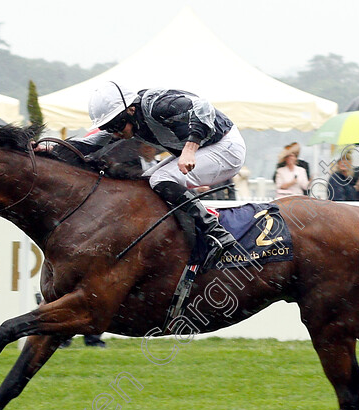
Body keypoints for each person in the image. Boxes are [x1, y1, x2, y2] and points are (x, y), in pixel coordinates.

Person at [68, 82, 246, 270]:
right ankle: (178, 240)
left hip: (226, 148)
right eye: (109, 128)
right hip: (207, 148)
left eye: (117, 125)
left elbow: (203, 107)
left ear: (131, 109)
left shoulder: (157, 105)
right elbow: (87, 145)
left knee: (160, 179)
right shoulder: (128, 119)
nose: (116, 133)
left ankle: (216, 234)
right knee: (144, 184)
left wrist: (189, 149)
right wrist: (46, 149)